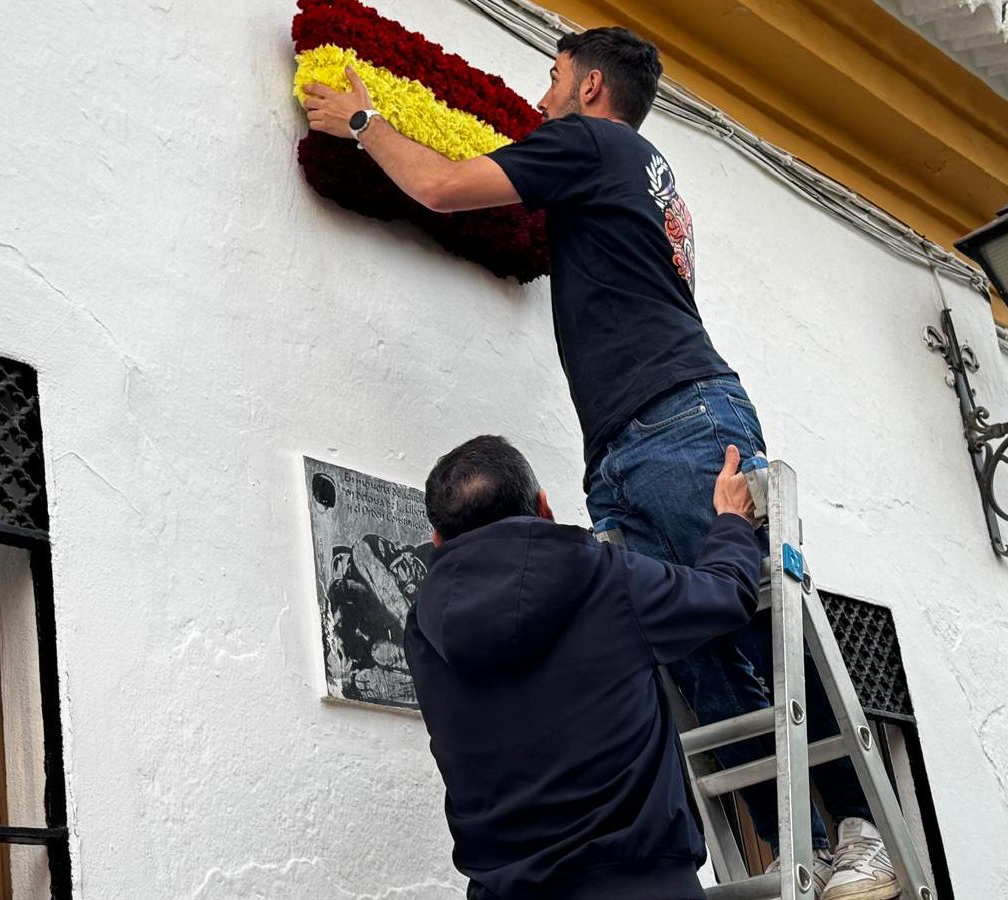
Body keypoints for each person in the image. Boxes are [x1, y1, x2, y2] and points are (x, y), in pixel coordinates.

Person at [303, 27, 898, 899]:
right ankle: (796, 844)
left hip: (676, 422)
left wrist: (362, 119)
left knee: (754, 636)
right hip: (635, 439)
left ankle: (859, 831)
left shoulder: (593, 142)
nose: (538, 98)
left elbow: (438, 187)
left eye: (550, 80)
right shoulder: (626, 168)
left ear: (590, 90)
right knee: (692, 657)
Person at [404, 435, 763, 900]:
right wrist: (733, 522)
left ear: (437, 539)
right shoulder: (605, 576)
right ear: (544, 506)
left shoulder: (420, 632)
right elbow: (726, 593)